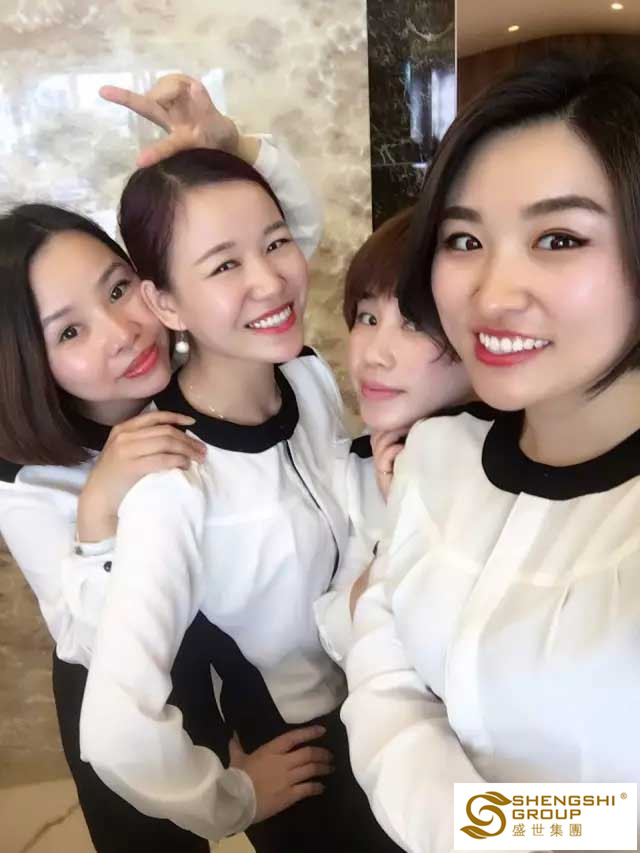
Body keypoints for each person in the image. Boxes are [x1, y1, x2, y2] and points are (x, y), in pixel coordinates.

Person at [0, 76, 328, 853]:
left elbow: (273, 253)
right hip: (110, 658)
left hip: (219, 642)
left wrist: (231, 147)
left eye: (119, 289)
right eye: (70, 331)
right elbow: (86, 637)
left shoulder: (206, 377)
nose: (123, 330)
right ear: (26, 361)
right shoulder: (28, 481)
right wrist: (99, 508)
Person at [341, 52, 640, 853]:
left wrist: (496, 829)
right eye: (464, 238)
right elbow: (383, 680)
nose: (493, 293)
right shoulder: (436, 456)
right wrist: (475, 827)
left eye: (559, 237)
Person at [77, 145, 403, 853]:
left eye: (276, 242)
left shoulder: (305, 373)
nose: (270, 279)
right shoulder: (170, 478)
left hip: (388, 684)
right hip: (306, 747)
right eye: (224, 265)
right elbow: (114, 728)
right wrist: (231, 798)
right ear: (165, 302)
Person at [314, 206, 474, 665]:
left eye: (414, 323)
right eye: (367, 318)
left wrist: (416, 516)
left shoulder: (534, 456)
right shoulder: (360, 463)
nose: (373, 356)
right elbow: (337, 633)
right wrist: (396, 527)